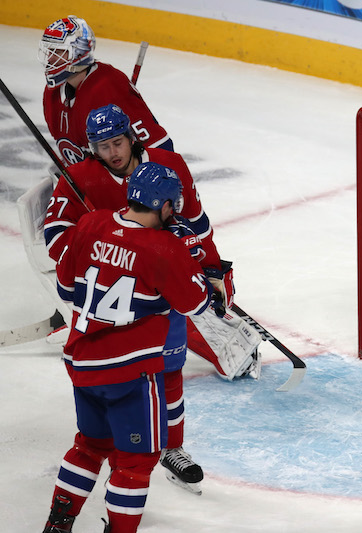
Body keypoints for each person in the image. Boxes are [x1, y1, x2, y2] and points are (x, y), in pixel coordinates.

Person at [42, 103, 260, 493]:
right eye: (102, 146)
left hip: (157, 293)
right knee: (120, 381)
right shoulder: (79, 177)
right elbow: (56, 237)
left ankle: (171, 448)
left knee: (169, 372)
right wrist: (105, 239)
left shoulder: (168, 165)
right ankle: (118, 448)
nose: (112, 153)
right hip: (108, 299)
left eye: (117, 142)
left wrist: (210, 267)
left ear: (132, 137)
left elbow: (196, 223)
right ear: (91, 148)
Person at [42, 162, 218, 533]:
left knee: (90, 446)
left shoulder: (92, 223)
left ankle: (57, 525)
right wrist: (214, 280)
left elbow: (66, 289)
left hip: (82, 362)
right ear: (165, 205)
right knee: (136, 463)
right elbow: (196, 304)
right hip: (131, 373)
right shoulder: (163, 247)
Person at [38, 15, 172, 165]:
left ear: (78, 52)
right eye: (49, 51)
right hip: (89, 181)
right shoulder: (52, 92)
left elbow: (159, 148)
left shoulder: (109, 87)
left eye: (57, 51)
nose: (49, 59)